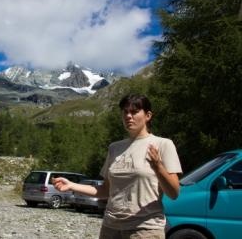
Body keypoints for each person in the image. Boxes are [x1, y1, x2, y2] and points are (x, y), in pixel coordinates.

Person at [53, 94, 182, 239]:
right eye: (125, 112)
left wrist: (158, 167)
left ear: (148, 115)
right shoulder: (114, 148)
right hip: (110, 227)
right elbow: (105, 190)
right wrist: (71, 185)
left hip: (145, 229)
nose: (128, 116)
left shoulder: (163, 144)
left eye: (134, 112)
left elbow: (174, 192)